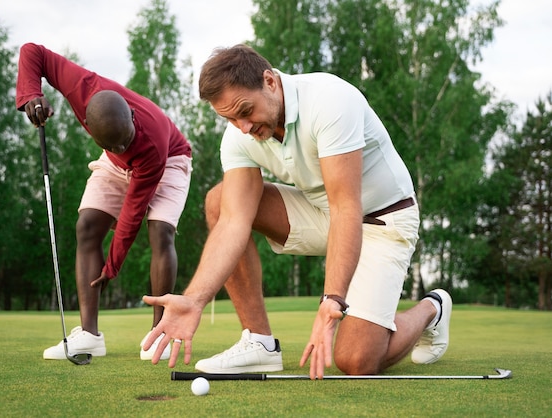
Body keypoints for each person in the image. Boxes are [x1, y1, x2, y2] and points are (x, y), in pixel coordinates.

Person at [142, 44, 452, 379]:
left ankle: (432, 308)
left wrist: (332, 299)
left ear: (270, 82)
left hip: (382, 219)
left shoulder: (330, 101)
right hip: (322, 214)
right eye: (229, 118)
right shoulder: (239, 136)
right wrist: (195, 299)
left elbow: (346, 205)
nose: (241, 126)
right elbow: (233, 222)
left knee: (356, 361)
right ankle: (260, 343)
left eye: (245, 110)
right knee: (221, 201)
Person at [16, 43, 192, 361]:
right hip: (113, 162)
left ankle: (159, 335)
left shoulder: (148, 142)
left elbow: (130, 217)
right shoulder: (80, 87)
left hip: (169, 158)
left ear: (132, 116)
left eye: (127, 139)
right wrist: (31, 93)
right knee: (87, 226)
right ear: (92, 133)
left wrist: (111, 267)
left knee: (160, 231)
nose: (125, 145)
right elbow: (32, 52)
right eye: (115, 144)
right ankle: (89, 336)